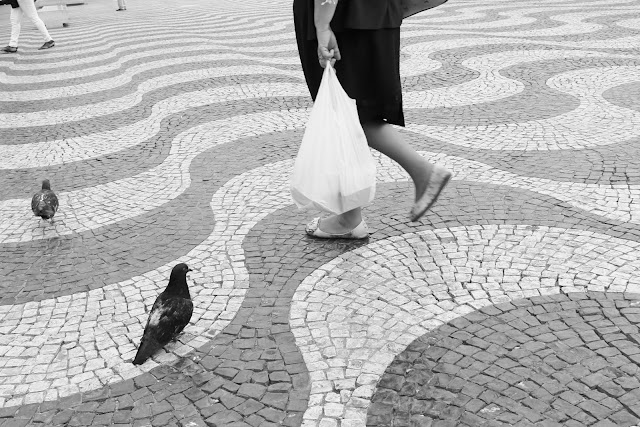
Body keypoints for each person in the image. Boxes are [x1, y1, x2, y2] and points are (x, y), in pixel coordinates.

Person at [294, 0, 451, 239]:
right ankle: (349, 217)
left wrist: (323, 25)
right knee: (353, 112)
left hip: (343, 19)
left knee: (347, 112)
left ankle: (422, 172)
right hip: (370, 13)